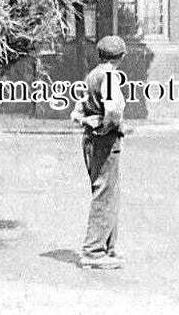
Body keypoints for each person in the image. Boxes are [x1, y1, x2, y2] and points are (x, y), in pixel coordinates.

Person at [70, 34, 128, 270]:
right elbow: (113, 111)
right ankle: (93, 251)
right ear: (121, 57)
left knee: (107, 192)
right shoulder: (111, 77)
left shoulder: (92, 75)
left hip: (90, 138)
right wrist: (107, 127)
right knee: (105, 193)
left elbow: (79, 108)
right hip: (104, 140)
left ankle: (108, 248)